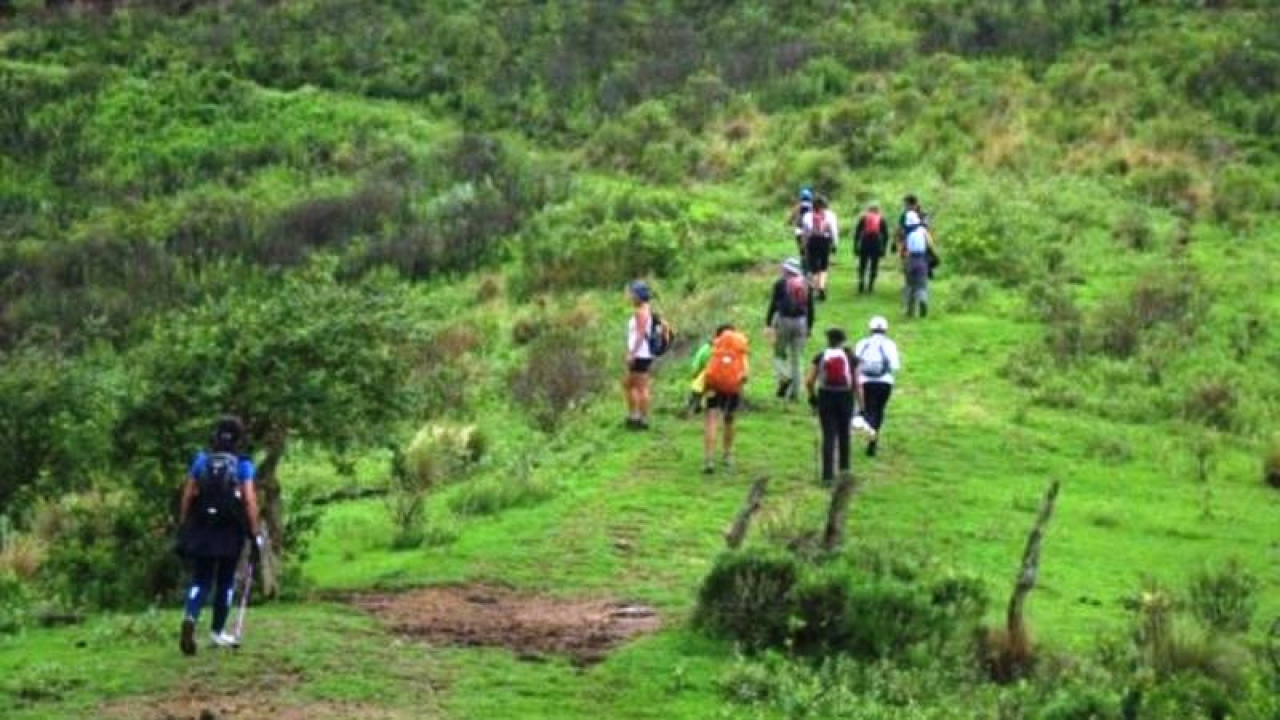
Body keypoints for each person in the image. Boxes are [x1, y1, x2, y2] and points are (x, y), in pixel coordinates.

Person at [177, 415, 262, 656]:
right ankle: (217, 632)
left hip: (203, 527)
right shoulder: (243, 464)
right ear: (239, 439)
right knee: (225, 581)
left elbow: (188, 494)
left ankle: (190, 616)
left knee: (200, 579)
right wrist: (254, 533)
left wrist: (184, 526)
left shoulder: (201, 461)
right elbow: (249, 500)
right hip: (229, 529)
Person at [805, 328, 863, 485]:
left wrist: (812, 397)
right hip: (845, 397)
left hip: (826, 396)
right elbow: (857, 384)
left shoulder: (820, 357)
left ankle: (827, 476)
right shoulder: (851, 358)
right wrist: (861, 405)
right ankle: (844, 471)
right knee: (845, 434)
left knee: (829, 435)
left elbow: (809, 380)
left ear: (828, 340)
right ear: (843, 340)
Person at [765, 258, 815, 402]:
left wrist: (768, 323)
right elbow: (811, 308)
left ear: (786, 270)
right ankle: (795, 394)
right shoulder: (806, 284)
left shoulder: (780, 283)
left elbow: (773, 304)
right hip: (801, 322)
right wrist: (809, 327)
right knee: (797, 358)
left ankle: (784, 376)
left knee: (779, 353)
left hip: (784, 320)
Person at [701, 325, 749, 474]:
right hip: (733, 388)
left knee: (711, 421)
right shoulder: (740, 349)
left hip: (713, 387)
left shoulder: (711, 348)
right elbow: (746, 374)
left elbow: (697, 368)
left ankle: (709, 459)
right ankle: (727, 455)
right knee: (729, 420)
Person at [854, 316, 901, 457]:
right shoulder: (890, 344)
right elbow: (895, 366)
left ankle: (867, 427)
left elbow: (856, 363)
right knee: (879, 410)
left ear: (870, 329)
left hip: (865, 381)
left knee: (868, 408)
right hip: (884, 382)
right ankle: (873, 439)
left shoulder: (862, 343)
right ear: (885, 330)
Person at [623, 280, 655, 429]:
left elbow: (641, 333)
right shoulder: (647, 309)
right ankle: (637, 415)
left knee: (638, 386)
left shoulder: (640, 312)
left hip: (640, 354)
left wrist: (632, 353)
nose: (630, 297)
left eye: (632, 294)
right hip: (644, 353)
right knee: (631, 384)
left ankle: (640, 417)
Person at [801, 195, 839, 301]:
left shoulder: (807, 216)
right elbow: (834, 231)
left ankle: (812, 287)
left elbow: (805, 233)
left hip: (812, 241)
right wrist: (835, 244)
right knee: (824, 267)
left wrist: (804, 245)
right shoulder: (830, 215)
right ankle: (821, 287)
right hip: (825, 241)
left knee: (813, 267)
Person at [900, 208, 934, 318]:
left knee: (910, 285)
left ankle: (910, 311)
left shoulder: (908, 233)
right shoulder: (923, 231)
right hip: (921, 259)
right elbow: (930, 244)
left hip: (911, 259)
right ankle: (923, 300)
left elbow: (905, 250)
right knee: (921, 285)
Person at [853, 202, 889, 294]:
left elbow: (857, 233)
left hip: (865, 242)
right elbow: (886, 235)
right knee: (874, 265)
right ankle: (870, 286)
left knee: (862, 264)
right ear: (878, 210)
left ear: (868, 209)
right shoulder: (882, 219)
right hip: (876, 244)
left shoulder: (863, 218)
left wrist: (856, 246)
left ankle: (861, 283)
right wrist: (884, 248)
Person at [787, 187, 814, 254]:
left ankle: (803, 261)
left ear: (801, 197)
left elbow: (790, 219)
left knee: (801, 250)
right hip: (810, 231)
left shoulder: (797, 207)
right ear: (810, 197)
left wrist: (789, 223)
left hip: (799, 231)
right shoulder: (813, 207)